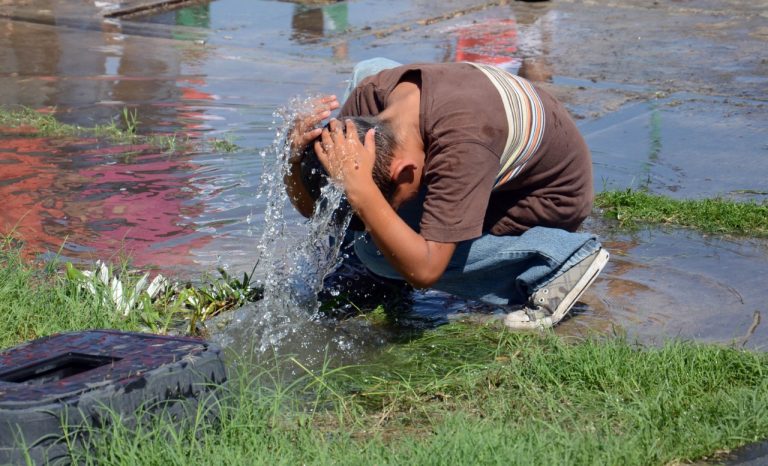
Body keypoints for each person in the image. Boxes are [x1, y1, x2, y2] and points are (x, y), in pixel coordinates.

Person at [285, 58, 609, 329]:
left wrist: (366, 196)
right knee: (368, 68)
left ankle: (555, 260)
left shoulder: (462, 146)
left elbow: (426, 271)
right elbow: (315, 211)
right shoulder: (369, 103)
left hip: (543, 198)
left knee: (377, 254)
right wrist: (294, 157)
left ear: (405, 172)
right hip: (490, 145)